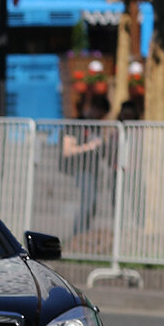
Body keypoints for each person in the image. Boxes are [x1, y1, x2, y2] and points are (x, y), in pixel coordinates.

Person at [62, 95, 113, 238]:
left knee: (92, 204)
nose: (101, 118)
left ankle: (84, 235)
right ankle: (78, 235)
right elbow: (67, 151)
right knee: (87, 202)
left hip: (93, 171)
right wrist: (89, 146)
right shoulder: (75, 124)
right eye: (101, 114)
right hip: (79, 170)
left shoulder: (96, 126)